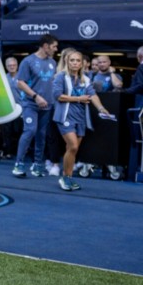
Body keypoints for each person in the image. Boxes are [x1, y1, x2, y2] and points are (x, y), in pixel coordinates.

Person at [53, 50, 111, 191]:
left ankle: (68, 176)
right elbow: (58, 96)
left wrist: (101, 108)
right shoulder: (61, 77)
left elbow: (93, 95)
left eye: (78, 60)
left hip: (80, 118)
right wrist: (79, 98)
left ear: (82, 63)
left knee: (73, 150)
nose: (75, 63)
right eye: (72, 60)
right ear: (67, 61)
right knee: (72, 146)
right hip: (65, 117)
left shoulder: (85, 79)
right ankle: (65, 178)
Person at [13, 34, 59, 178]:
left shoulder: (53, 62)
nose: (56, 49)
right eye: (54, 46)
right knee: (30, 131)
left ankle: (37, 164)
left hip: (48, 105)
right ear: (45, 46)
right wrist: (35, 96)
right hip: (30, 104)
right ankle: (18, 164)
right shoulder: (28, 61)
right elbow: (20, 83)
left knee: (41, 134)